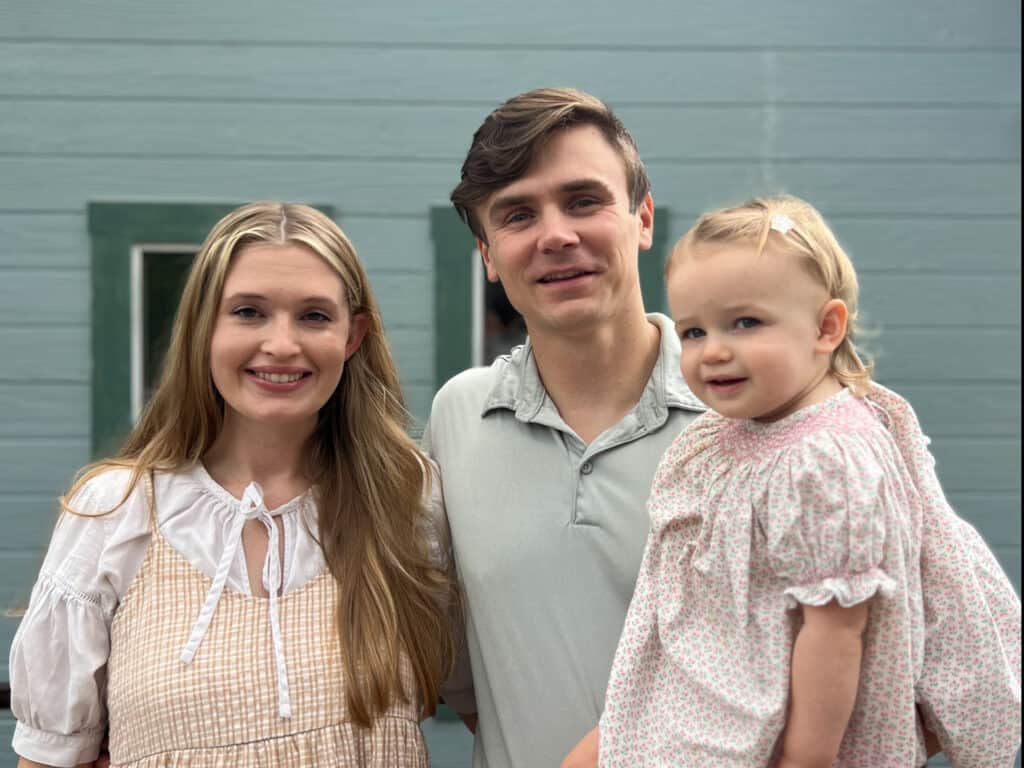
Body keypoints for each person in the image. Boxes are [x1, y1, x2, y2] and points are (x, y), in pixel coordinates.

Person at [10, 202, 455, 768]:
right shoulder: (116, 510)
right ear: (204, 327)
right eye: (248, 311)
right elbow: (48, 756)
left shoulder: (408, 498)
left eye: (314, 316)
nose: (282, 344)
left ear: (352, 336)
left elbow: (490, 694)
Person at [595, 195, 1022, 766]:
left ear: (826, 327)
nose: (713, 351)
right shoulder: (728, 433)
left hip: (786, 736)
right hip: (712, 703)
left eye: (746, 323)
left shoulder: (825, 460)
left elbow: (836, 633)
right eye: (693, 331)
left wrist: (804, 760)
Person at [422, 87, 706, 768]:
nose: (555, 235)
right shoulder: (459, 416)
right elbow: (460, 672)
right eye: (518, 215)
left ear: (642, 217)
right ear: (489, 255)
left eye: (583, 201)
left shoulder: (746, 415)